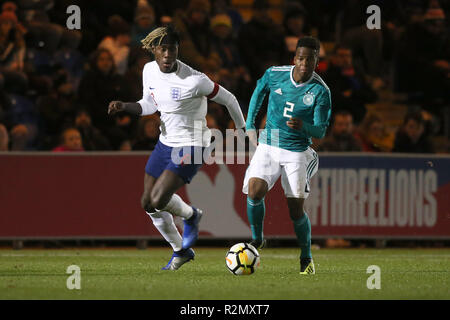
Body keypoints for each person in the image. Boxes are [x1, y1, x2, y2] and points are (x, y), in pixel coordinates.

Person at [108, 25, 245, 270]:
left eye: (172, 49)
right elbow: (149, 104)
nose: (168, 54)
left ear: (177, 50)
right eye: (163, 49)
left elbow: (229, 99)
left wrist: (243, 129)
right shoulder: (149, 70)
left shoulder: (195, 80)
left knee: (160, 198)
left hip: (193, 144)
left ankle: (191, 215)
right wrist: (125, 106)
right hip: (165, 143)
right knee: (147, 203)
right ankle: (181, 250)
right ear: (154, 50)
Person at [243, 36, 331, 275]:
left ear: (316, 61)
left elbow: (321, 130)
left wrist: (304, 126)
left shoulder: (321, 91)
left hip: (297, 151)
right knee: (255, 189)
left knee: (295, 210)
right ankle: (257, 238)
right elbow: (259, 91)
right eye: (301, 58)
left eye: (310, 59)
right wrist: (250, 123)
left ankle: (306, 258)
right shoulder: (275, 73)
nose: (304, 63)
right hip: (269, 145)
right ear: (295, 58)